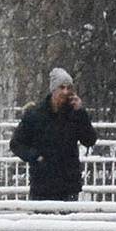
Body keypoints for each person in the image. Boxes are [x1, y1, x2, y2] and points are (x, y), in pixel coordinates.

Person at [9, 67, 97, 203]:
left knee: (69, 222)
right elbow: (16, 144)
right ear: (53, 89)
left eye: (69, 88)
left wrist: (81, 113)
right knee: (42, 223)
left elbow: (89, 140)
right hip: (42, 183)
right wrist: (36, 157)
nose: (66, 92)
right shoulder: (35, 114)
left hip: (68, 183)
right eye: (62, 87)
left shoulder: (74, 113)